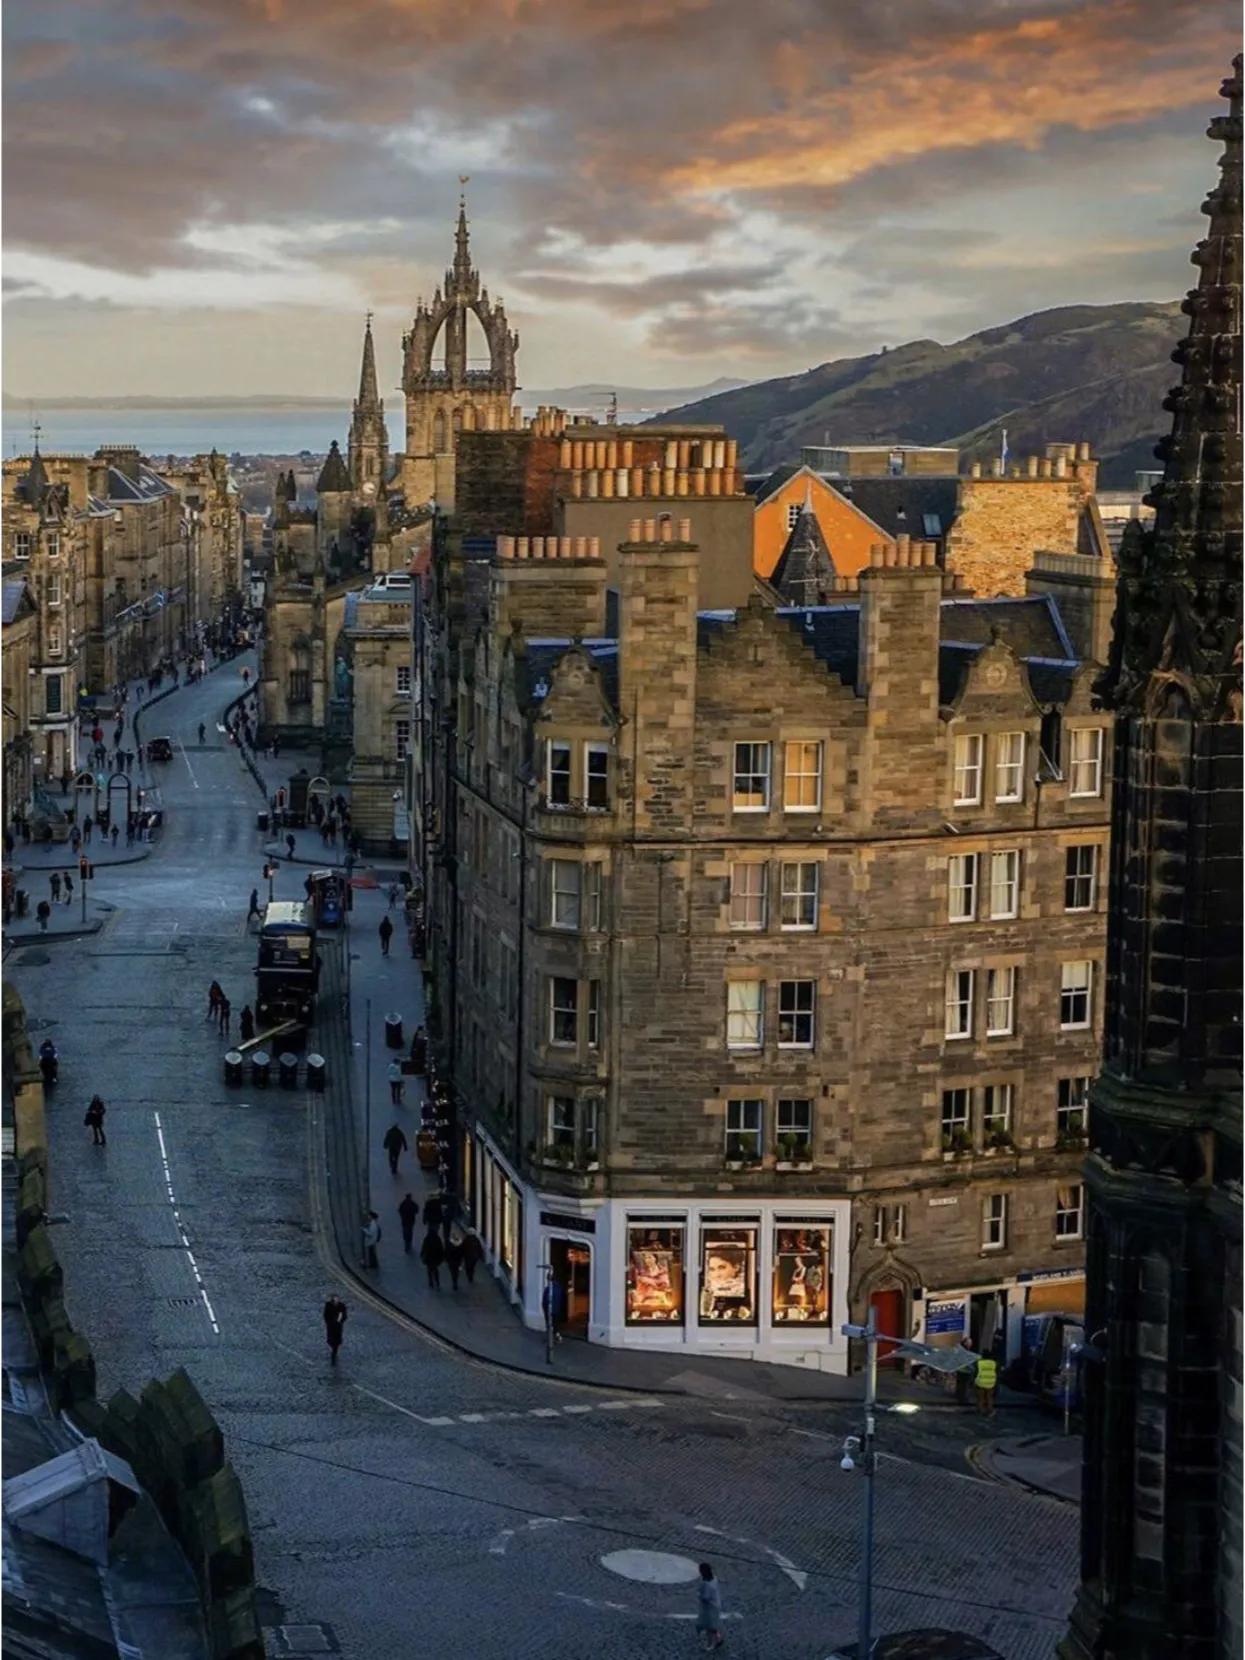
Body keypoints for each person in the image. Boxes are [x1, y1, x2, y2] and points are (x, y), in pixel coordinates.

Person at [696, 1563, 724, 1650]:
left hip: (710, 1607)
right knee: (712, 1624)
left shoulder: (706, 1584)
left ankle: (712, 1643)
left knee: (709, 1626)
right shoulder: (714, 1578)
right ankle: (718, 1638)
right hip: (716, 1604)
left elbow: (705, 1597)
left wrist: (699, 1595)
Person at [323, 1296, 347, 1364]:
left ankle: (334, 1351)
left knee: (337, 1340)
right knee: (331, 1339)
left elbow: (344, 1316)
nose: (336, 1301)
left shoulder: (342, 1306)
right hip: (331, 1326)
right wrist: (328, 1322)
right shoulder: (328, 1305)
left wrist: (340, 1321)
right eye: (335, 1300)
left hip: (338, 1326)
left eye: (337, 1300)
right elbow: (326, 1315)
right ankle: (333, 1348)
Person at [542, 1275, 565, 1345]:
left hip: (550, 1311)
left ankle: (552, 1340)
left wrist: (545, 1310)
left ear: (549, 1280)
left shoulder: (548, 1289)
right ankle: (557, 1338)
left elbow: (544, 1301)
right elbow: (562, 1299)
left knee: (550, 1325)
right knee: (555, 1325)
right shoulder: (559, 1288)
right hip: (557, 1310)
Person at [975, 1350, 998, 1418]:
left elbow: (976, 1372)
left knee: (981, 1397)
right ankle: (990, 1410)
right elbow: (997, 1372)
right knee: (989, 1397)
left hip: (981, 1382)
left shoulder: (979, 1363)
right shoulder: (994, 1363)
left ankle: (981, 1410)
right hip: (990, 1382)